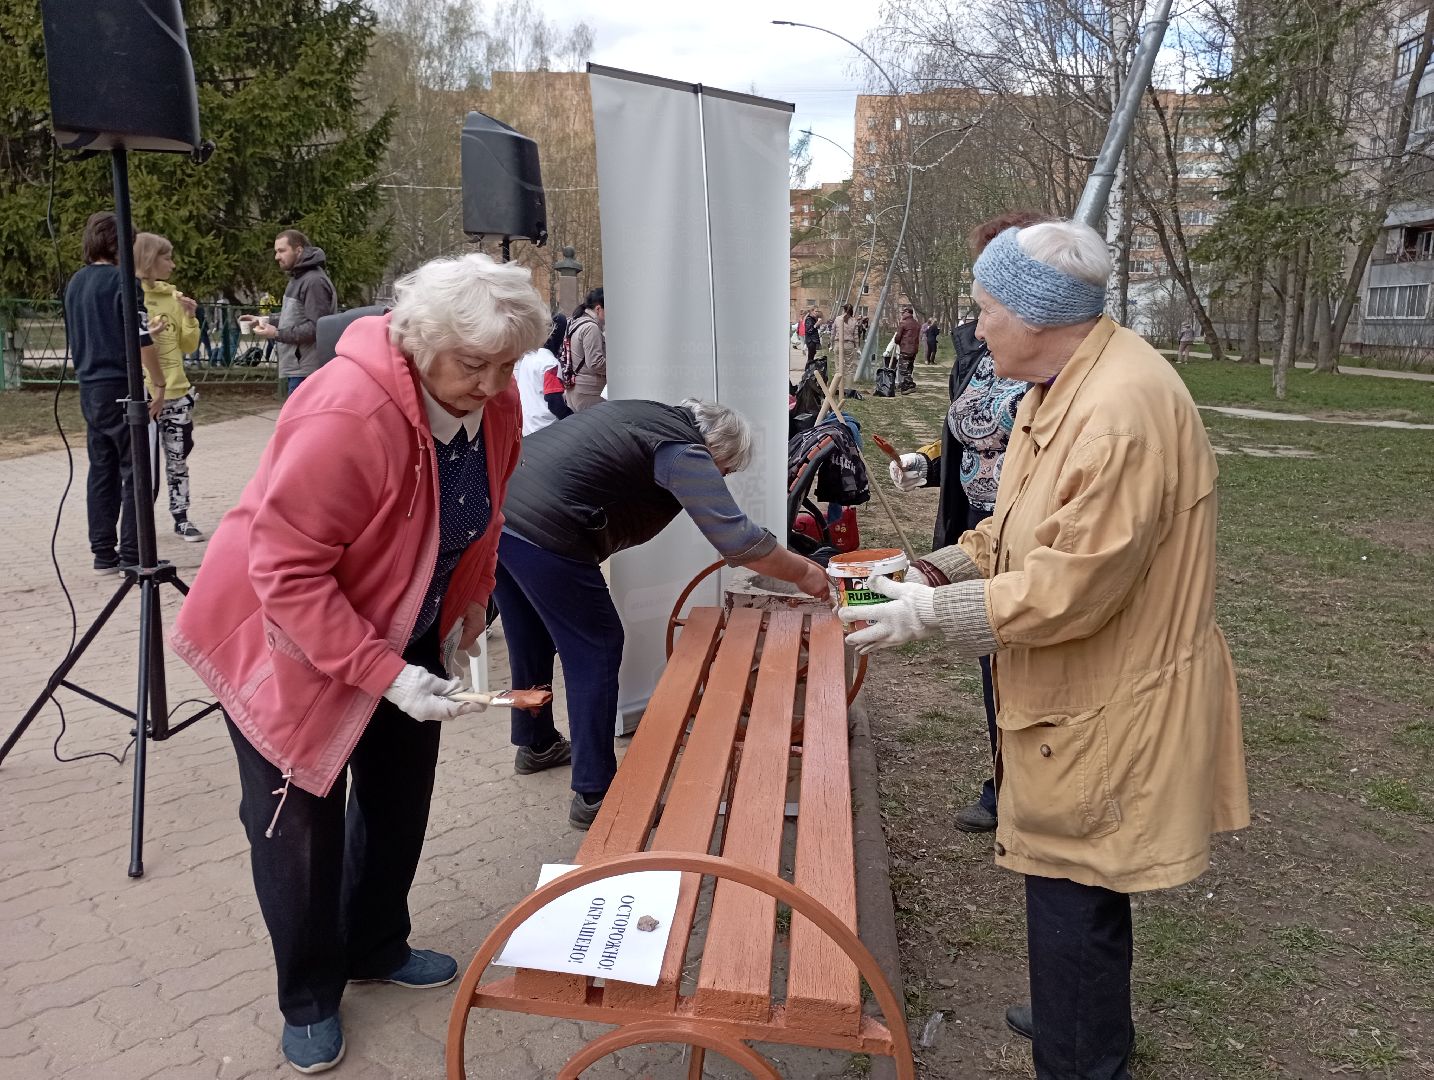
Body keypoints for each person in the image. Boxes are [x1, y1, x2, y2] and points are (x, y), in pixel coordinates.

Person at [843, 220, 1249, 1080]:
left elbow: (1071, 587)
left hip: (1110, 697)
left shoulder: (1116, 413)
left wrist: (928, 617)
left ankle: (1081, 1054)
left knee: (1073, 884)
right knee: (1074, 888)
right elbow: (1022, 529)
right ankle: (1086, 1022)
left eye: (986, 310)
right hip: (1078, 692)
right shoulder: (1065, 384)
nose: (977, 327)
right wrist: (933, 564)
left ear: (1037, 316)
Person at [171, 252, 550, 1074]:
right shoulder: (346, 413)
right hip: (291, 638)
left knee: (398, 796)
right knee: (298, 823)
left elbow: (485, 515)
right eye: (472, 364)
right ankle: (308, 995)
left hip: (404, 621)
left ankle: (377, 941)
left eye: (505, 365)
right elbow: (285, 573)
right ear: (418, 342)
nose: (490, 385)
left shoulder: (498, 399)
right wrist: (387, 675)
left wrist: (469, 609)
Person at [493, 398, 832, 829]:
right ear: (717, 450)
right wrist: (805, 573)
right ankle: (595, 793)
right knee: (597, 647)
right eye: (724, 470)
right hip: (547, 529)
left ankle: (535, 742)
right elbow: (738, 541)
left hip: (500, 512)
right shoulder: (683, 449)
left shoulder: (646, 415)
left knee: (530, 638)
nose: (719, 478)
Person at [887, 212, 1047, 833]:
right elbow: (964, 432)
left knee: (1027, 663)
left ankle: (1032, 792)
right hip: (977, 527)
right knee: (993, 667)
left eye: (991, 290)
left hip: (1030, 532)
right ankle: (1006, 781)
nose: (979, 309)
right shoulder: (978, 352)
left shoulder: (1053, 366)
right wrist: (923, 463)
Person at [64, 211, 165, 574]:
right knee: (138, 470)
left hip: (88, 387)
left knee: (101, 470)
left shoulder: (75, 282)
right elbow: (139, 338)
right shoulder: (122, 281)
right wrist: (159, 382)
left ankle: (102, 552)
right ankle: (133, 553)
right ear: (118, 242)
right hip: (121, 386)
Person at [133, 232, 205, 543]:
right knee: (141, 466)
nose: (173, 265)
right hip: (145, 397)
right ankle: (139, 525)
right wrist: (145, 333)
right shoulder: (134, 297)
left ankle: (181, 517)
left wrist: (190, 317)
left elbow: (188, 345)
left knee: (178, 459)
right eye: (166, 258)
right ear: (149, 260)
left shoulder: (174, 298)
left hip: (176, 393)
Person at [252, 229, 337, 395]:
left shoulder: (313, 281)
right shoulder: (298, 278)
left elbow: (318, 327)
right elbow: (293, 318)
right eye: (276, 251)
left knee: (302, 421)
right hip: (299, 369)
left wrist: (276, 333)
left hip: (308, 371)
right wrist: (263, 320)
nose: (277, 256)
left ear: (299, 250)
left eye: (282, 251)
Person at [514, 312, 567, 436]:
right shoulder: (550, 363)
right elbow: (554, 401)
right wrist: (571, 418)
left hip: (527, 425)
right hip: (547, 428)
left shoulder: (528, 355)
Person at [559, 286, 607, 412]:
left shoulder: (574, 321)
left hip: (574, 390)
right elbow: (595, 363)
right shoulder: (591, 327)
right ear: (598, 308)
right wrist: (618, 368)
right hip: (589, 392)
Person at [894, 305, 921, 393]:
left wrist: (897, 342)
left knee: (903, 369)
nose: (902, 315)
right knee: (909, 367)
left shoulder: (903, 323)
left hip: (905, 348)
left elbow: (898, 337)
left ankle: (910, 384)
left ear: (907, 313)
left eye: (903, 313)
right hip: (914, 349)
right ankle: (905, 385)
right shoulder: (917, 324)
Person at [835, 303, 859, 387]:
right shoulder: (854, 320)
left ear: (844, 310)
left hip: (838, 343)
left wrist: (831, 344)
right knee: (849, 367)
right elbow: (856, 335)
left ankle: (837, 387)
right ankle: (848, 388)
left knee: (838, 367)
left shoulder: (838, 319)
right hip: (849, 344)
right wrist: (857, 347)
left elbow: (833, 332)